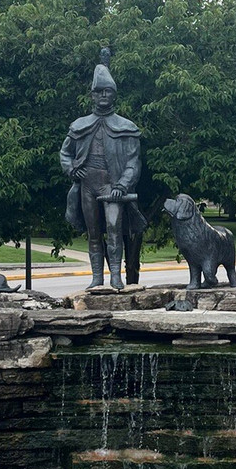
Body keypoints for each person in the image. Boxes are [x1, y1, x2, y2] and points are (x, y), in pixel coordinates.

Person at [59, 49, 147, 289]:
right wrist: (70, 169)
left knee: (114, 230)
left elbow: (133, 162)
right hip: (87, 184)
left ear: (114, 95)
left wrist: (122, 185)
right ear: (92, 95)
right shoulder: (79, 126)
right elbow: (65, 153)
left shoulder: (126, 127)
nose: (103, 95)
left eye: (107, 91)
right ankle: (97, 278)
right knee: (94, 233)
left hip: (113, 186)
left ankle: (116, 276)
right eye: (99, 92)